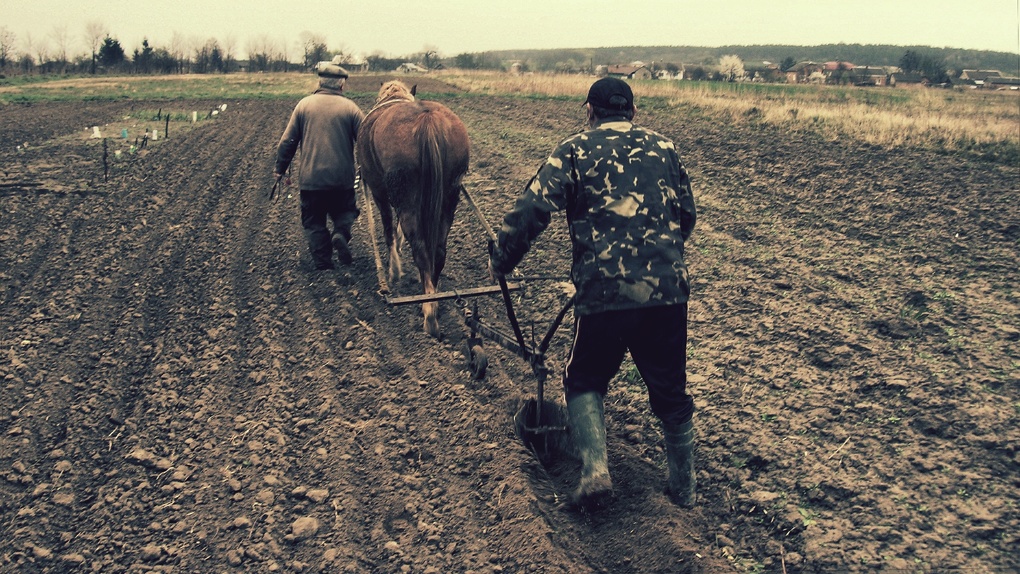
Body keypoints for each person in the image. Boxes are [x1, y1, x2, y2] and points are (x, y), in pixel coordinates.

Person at [489, 77, 698, 509]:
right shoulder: (666, 148)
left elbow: (533, 209)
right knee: (670, 391)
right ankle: (685, 491)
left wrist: (503, 260)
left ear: (590, 110)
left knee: (583, 379)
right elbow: (687, 216)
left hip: (605, 293)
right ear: (634, 112)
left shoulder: (574, 150)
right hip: (668, 293)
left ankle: (595, 471)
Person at [275, 56, 365, 270]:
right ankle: (341, 234)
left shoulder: (303, 105)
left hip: (311, 180)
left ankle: (323, 262)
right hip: (342, 179)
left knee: (314, 220)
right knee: (345, 212)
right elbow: (365, 140)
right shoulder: (351, 108)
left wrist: (280, 168)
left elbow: (288, 141)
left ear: (319, 82)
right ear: (341, 84)